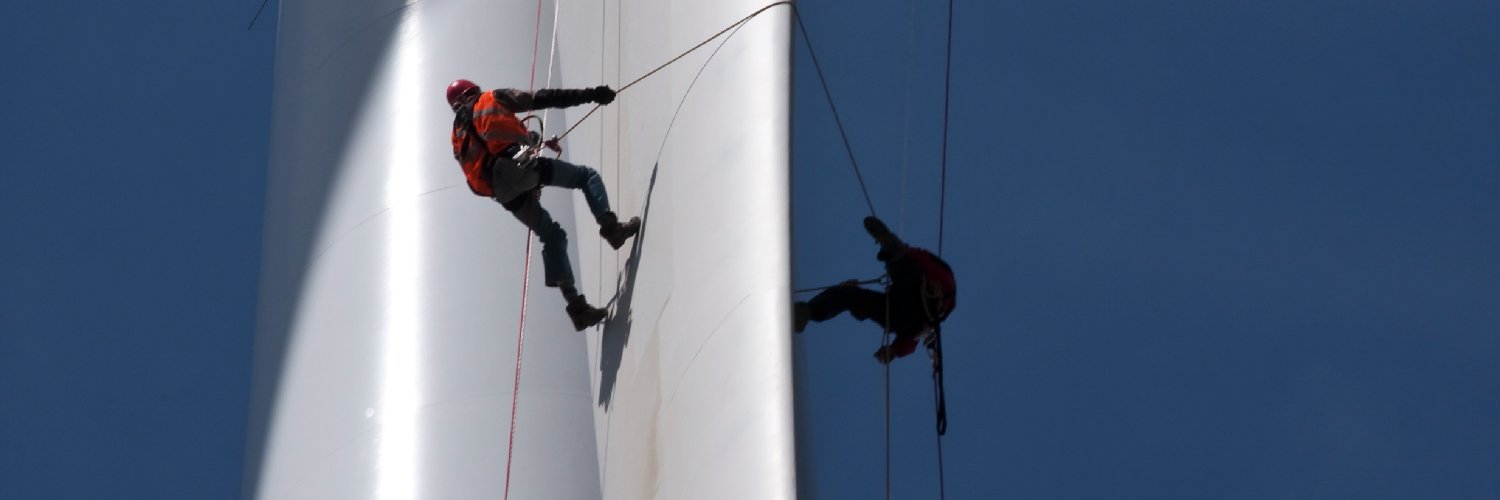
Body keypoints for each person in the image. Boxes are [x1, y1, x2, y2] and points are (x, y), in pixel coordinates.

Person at [447, 79, 640, 331]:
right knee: (585, 176)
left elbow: (483, 161)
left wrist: (530, 148)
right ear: (472, 90)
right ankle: (611, 227)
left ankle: (577, 308)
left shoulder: (458, 136)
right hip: (517, 165)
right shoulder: (492, 98)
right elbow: (546, 97)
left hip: (502, 192)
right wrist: (592, 94)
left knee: (552, 236)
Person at [793, 216, 956, 363]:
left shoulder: (942, 284)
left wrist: (904, 253)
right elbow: (909, 341)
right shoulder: (926, 321)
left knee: (902, 269)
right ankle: (804, 314)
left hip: (916, 300)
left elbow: (923, 260)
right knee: (854, 297)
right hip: (904, 316)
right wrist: (894, 351)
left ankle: (806, 312)